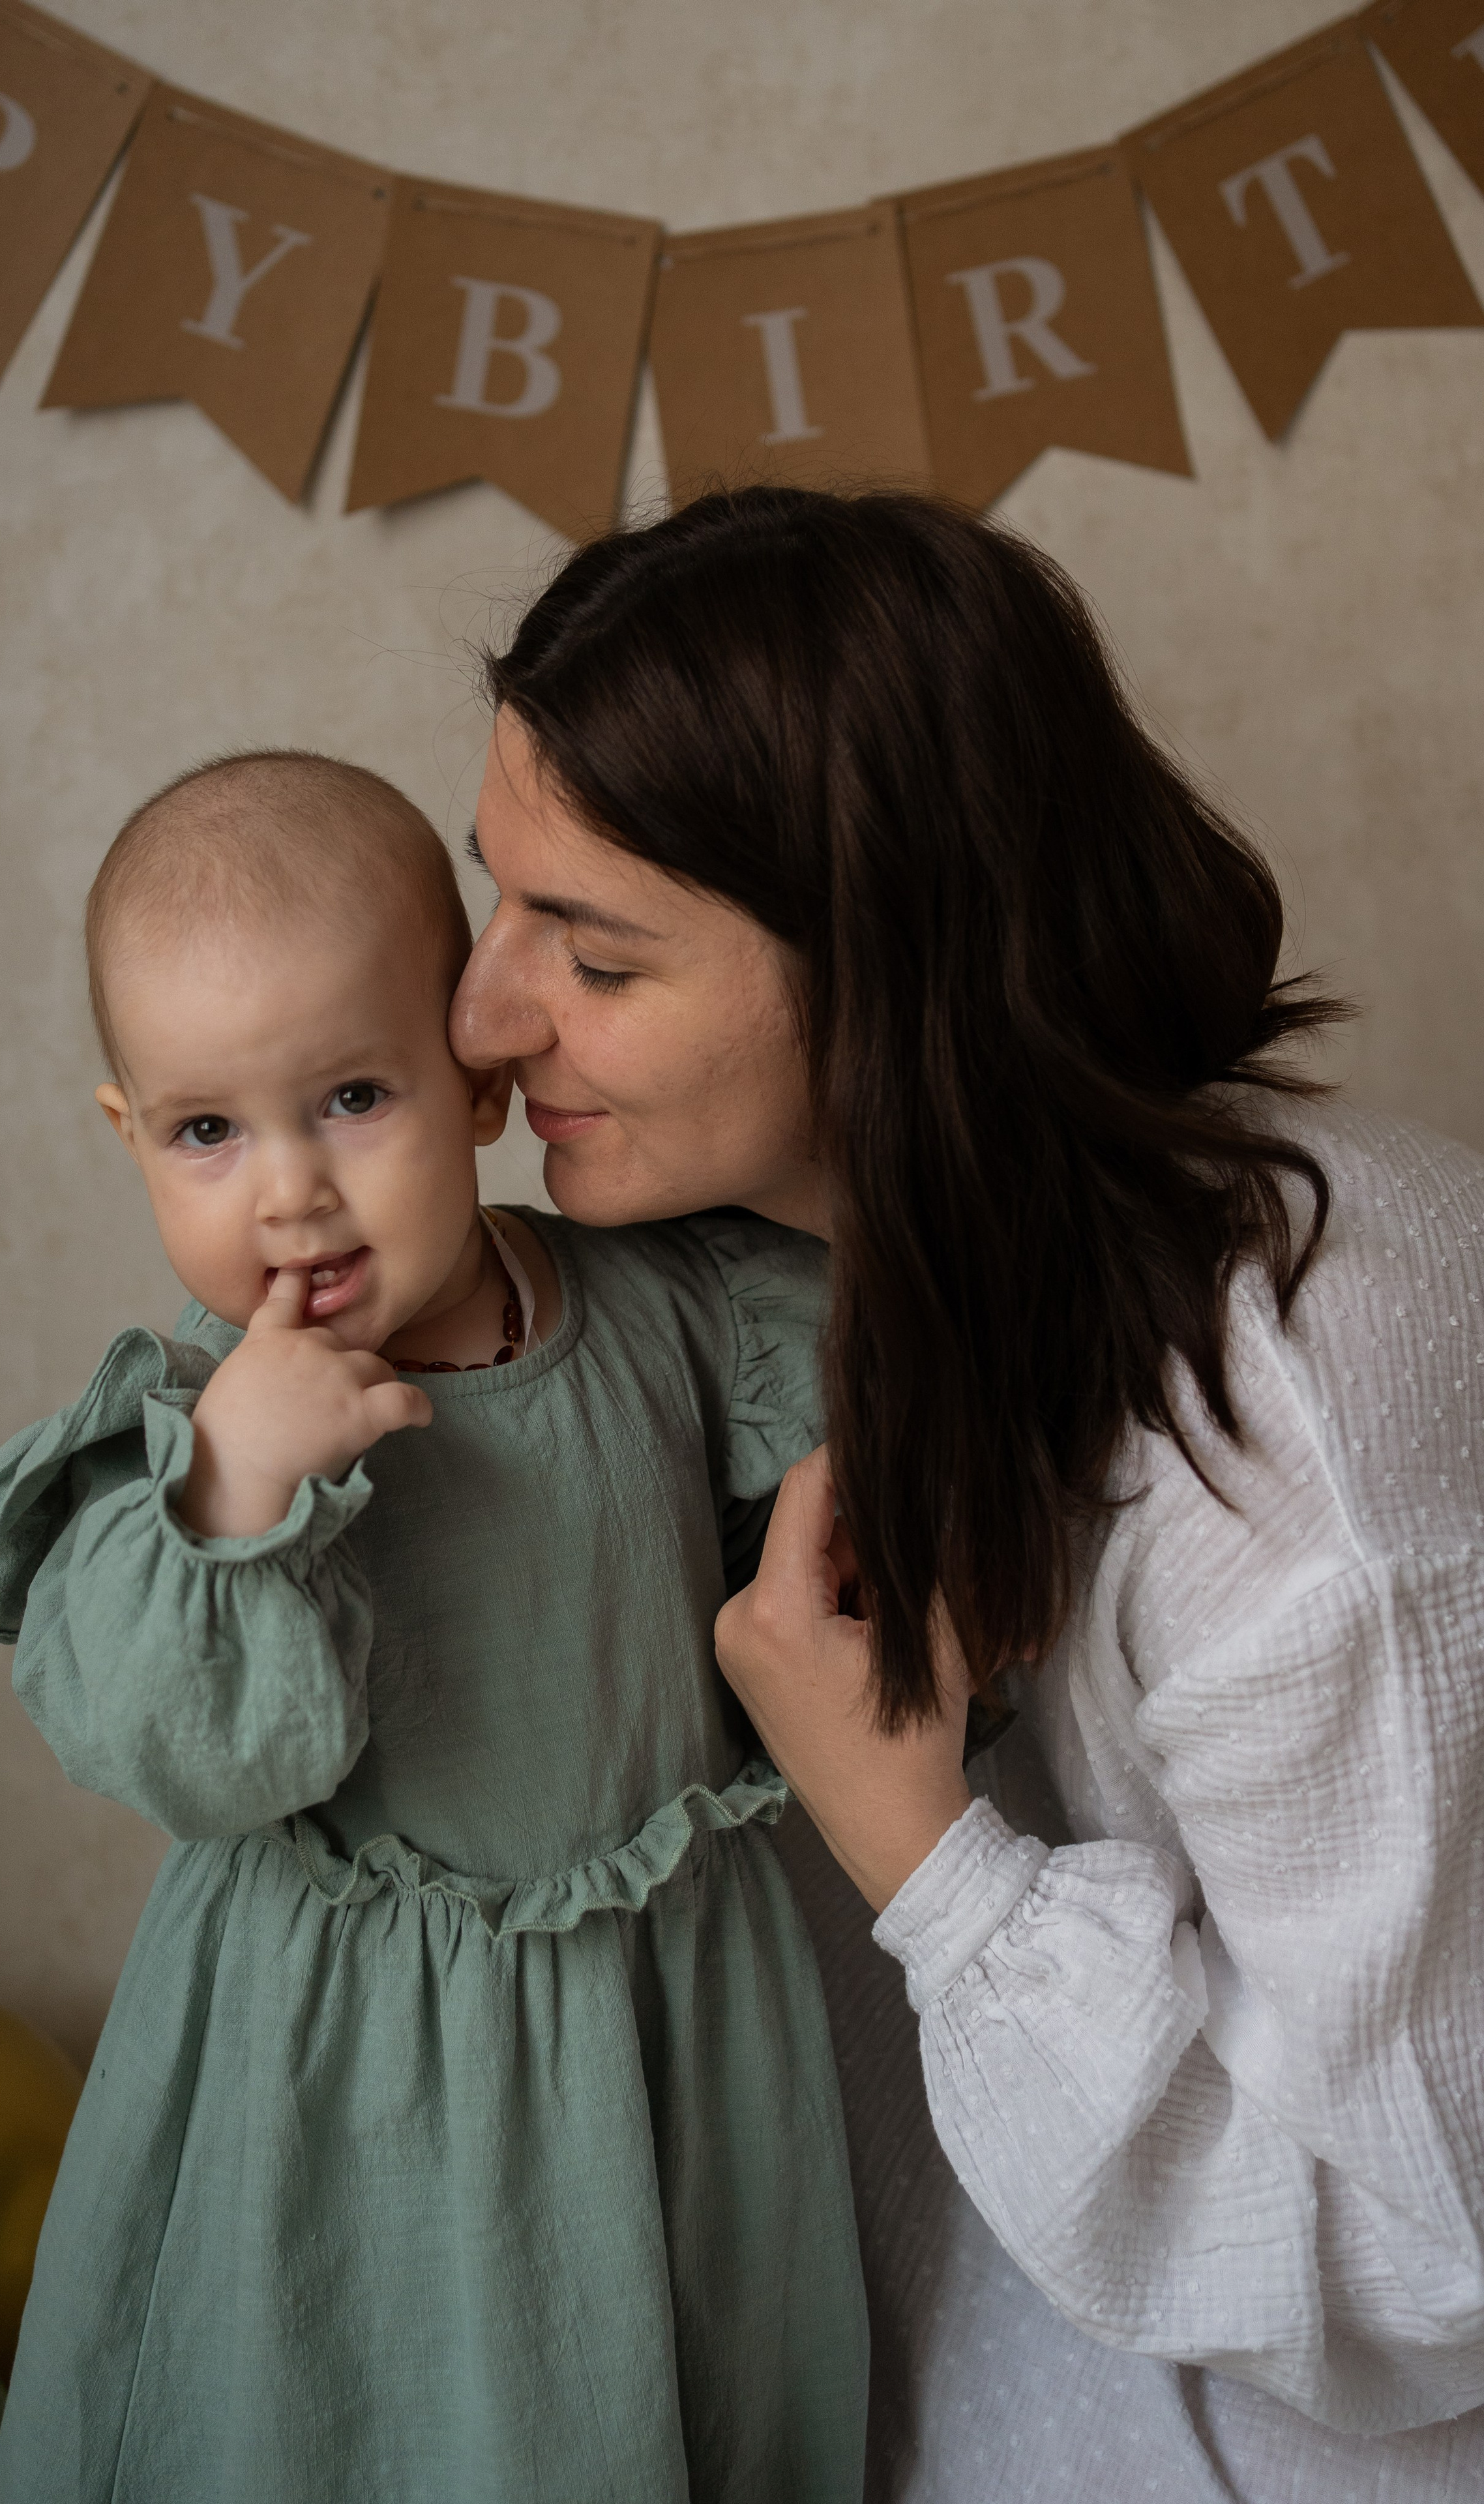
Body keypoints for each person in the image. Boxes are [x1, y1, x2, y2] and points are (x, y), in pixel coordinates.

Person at [449, 483, 1484, 2501]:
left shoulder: (1295, 1450)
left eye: (592, 950)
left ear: (887, 966)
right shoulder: (848, 1276)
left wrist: (927, 1855)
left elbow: (1423, 2261)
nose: (484, 1022)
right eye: (498, 902)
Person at [0, 751, 868, 2503]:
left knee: (690, 2391)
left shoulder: (675, 1304)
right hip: (338, 2071)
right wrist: (233, 1505)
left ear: (475, 1075)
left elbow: (833, 1535)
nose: (290, 1190)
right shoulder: (188, 1434)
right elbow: (185, 1755)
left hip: (661, 2018)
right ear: (131, 1136)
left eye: (355, 1096)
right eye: (210, 1131)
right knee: (329, 2422)